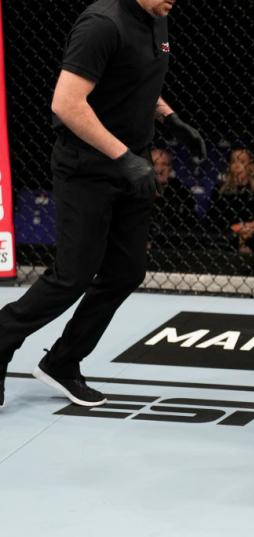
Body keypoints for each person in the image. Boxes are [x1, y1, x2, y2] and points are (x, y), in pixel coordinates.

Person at [0, 0, 206, 409]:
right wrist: (124, 157)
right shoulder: (102, 23)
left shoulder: (157, 16)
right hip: (87, 167)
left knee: (126, 272)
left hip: (132, 163)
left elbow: (133, 80)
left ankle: (63, 361)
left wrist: (170, 119)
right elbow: (67, 102)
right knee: (72, 275)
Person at [149, 147, 198, 247]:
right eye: (154, 164)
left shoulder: (182, 193)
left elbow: (190, 228)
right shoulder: (135, 191)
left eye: (164, 164)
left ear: (170, 168)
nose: (159, 169)